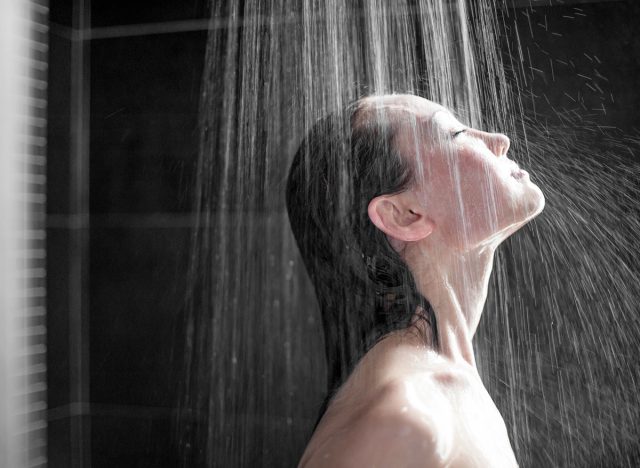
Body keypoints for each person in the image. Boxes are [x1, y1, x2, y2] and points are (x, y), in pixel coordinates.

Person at [285, 94, 544, 467]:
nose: (498, 139)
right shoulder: (403, 418)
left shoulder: (441, 386)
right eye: (454, 134)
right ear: (404, 215)